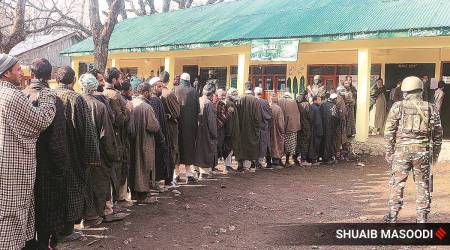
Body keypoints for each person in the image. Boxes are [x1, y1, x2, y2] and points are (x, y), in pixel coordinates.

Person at [0, 54, 56, 249]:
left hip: (5, 160)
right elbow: (40, 121)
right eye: (17, 70)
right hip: (13, 165)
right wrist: (49, 98)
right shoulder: (12, 95)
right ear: (5, 73)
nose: (21, 73)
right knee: (11, 212)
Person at [21, 58, 68, 249]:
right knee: (47, 213)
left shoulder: (21, 95)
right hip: (48, 165)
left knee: (28, 209)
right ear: (50, 76)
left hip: (23, 162)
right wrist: (62, 166)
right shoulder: (52, 99)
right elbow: (58, 139)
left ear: (32, 74)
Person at [383, 76, 443, 223]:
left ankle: (392, 215)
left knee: (397, 183)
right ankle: (422, 218)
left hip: (402, 152)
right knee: (423, 185)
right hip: (423, 152)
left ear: (404, 91)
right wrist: (434, 155)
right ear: (421, 90)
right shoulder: (430, 107)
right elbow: (438, 134)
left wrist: (389, 152)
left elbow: (389, 131)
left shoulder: (398, 106)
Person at [54, 66, 100, 241]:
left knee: (57, 191)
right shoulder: (76, 99)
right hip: (73, 153)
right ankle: (67, 230)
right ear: (73, 80)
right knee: (73, 190)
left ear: (57, 80)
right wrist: (92, 157)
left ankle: (58, 229)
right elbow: (87, 130)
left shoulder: (50, 95)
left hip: (53, 153)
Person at [79, 73, 122, 227]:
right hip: (98, 156)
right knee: (99, 186)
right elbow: (107, 136)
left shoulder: (78, 101)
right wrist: (113, 155)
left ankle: (85, 217)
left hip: (79, 155)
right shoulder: (99, 106)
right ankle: (94, 216)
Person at [103, 67, 131, 205]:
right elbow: (120, 120)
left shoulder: (104, 92)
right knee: (118, 168)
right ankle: (116, 200)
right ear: (113, 80)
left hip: (110, 136)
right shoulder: (114, 95)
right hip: (117, 137)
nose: (121, 81)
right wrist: (127, 110)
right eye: (119, 78)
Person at [129, 83, 161, 203]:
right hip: (144, 142)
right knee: (143, 167)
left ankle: (134, 194)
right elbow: (153, 126)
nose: (151, 94)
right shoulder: (146, 107)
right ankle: (143, 195)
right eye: (150, 92)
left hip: (132, 141)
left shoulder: (132, 103)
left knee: (134, 167)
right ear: (146, 92)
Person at [174, 73, 200, 183]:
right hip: (190, 126)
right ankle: (189, 173)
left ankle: (176, 174)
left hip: (177, 125)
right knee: (189, 148)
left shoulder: (175, 90)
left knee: (177, 147)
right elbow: (198, 110)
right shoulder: (194, 92)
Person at [148, 77, 172, 188]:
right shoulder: (154, 100)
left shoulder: (158, 99)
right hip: (156, 137)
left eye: (162, 86)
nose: (161, 88)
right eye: (158, 86)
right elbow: (155, 120)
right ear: (152, 87)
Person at [160, 71, 181, 185]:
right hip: (170, 126)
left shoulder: (157, 92)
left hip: (159, 126)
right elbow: (177, 113)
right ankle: (168, 178)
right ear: (168, 80)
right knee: (171, 150)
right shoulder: (169, 93)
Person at [236, 82, 261, 172]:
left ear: (244, 88)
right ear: (253, 88)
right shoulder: (255, 100)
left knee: (240, 145)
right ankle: (247, 166)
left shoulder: (240, 99)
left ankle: (239, 164)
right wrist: (257, 128)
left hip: (241, 127)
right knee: (250, 146)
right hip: (251, 128)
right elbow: (257, 117)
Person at [194, 84, 218, 177]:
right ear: (211, 94)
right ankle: (204, 172)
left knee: (196, 151)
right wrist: (214, 134)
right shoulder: (208, 104)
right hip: (205, 133)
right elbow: (211, 122)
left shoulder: (198, 100)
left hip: (196, 131)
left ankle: (196, 170)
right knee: (205, 152)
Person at [277, 92, 301, 166]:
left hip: (280, 127)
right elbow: (296, 115)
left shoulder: (279, 101)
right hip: (291, 127)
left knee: (280, 143)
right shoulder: (293, 102)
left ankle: (280, 160)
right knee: (290, 145)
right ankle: (287, 160)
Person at [223, 88, 240, 173]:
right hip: (231, 131)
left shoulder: (231, 103)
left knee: (230, 149)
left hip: (232, 130)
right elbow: (229, 120)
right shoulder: (230, 104)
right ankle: (227, 166)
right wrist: (229, 132)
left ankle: (228, 165)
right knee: (229, 149)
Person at [214, 89, 232, 172]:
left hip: (214, 128)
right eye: (222, 95)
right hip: (219, 128)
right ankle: (213, 166)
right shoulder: (220, 103)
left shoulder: (214, 101)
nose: (224, 97)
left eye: (225, 95)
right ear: (218, 95)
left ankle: (213, 165)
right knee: (218, 146)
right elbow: (223, 117)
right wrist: (229, 112)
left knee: (216, 146)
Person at [337, 85, 356, 160]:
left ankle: (345, 154)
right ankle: (345, 154)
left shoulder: (345, 102)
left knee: (345, 140)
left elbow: (345, 114)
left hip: (346, 125)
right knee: (345, 140)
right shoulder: (347, 102)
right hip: (347, 125)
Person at [254, 87, 272, 168]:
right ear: (261, 93)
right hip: (263, 127)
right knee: (263, 145)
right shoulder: (265, 102)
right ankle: (259, 162)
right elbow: (270, 115)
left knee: (254, 145)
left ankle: (253, 162)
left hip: (253, 128)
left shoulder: (252, 101)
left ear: (255, 93)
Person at [320, 93, 340, 164]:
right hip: (331, 128)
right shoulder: (334, 106)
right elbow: (336, 118)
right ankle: (327, 158)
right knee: (329, 143)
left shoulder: (323, 105)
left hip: (322, 127)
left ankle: (322, 157)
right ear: (334, 99)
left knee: (323, 142)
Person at [268, 93, 285, 169]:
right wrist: (282, 131)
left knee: (269, 145)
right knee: (277, 145)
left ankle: (268, 162)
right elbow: (280, 122)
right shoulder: (278, 109)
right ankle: (275, 163)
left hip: (268, 129)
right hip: (276, 130)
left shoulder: (268, 107)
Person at [295, 92, 312, 166]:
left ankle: (295, 159)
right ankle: (303, 160)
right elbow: (310, 117)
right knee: (305, 143)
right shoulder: (307, 104)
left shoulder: (296, 104)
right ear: (305, 95)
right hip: (305, 126)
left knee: (298, 143)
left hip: (297, 126)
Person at [309, 96, 323, 165]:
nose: (320, 101)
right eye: (319, 100)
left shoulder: (313, 107)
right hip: (316, 130)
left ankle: (312, 158)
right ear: (315, 100)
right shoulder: (316, 108)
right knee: (315, 144)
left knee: (313, 144)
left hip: (314, 129)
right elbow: (318, 121)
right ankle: (313, 159)